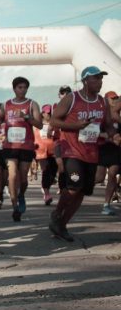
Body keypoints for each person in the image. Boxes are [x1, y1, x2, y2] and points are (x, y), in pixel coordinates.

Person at [49, 67, 118, 241]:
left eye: (101, 79)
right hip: (72, 151)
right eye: (97, 78)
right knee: (74, 186)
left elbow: (108, 124)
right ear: (86, 81)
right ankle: (57, 213)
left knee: (82, 191)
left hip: (92, 153)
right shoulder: (72, 98)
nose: (100, 82)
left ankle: (61, 224)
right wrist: (76, 126)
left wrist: (113, 135)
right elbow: (54, 120)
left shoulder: (102, 102)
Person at [0, 77, 43, 221]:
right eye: (19, 87)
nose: (22, 90)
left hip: (26, 145)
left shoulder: (32, 104)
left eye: (24, 87)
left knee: (23, 179)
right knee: (12, 175)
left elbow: (40, 125)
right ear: (14, 89)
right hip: (10, 145)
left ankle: (21, 195)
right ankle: (14, 206)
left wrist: (27, 117)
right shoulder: (6, 104)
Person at [96, 91, 120, 215]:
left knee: (112, 174)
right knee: (99, 177)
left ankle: (106, 205)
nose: (115, 100)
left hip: (116, 151)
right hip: (102, 149)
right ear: (106, 100)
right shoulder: (101, 115)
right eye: (112, 98)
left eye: (116, 98)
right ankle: (77, 187)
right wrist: (108, 138)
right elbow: (95, 132)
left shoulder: (118, 115)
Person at [34, 104, 58, 206]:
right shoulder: (37, 125)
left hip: (53, 152)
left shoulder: (55, 124)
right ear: (42, 113)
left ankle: (47, 184)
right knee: (45, 170)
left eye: (49, 112)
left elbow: (58, 136)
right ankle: (47, 194)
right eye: (46, 112)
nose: (48, 114)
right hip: (41, 152)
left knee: (53, 173)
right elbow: (34, 138)